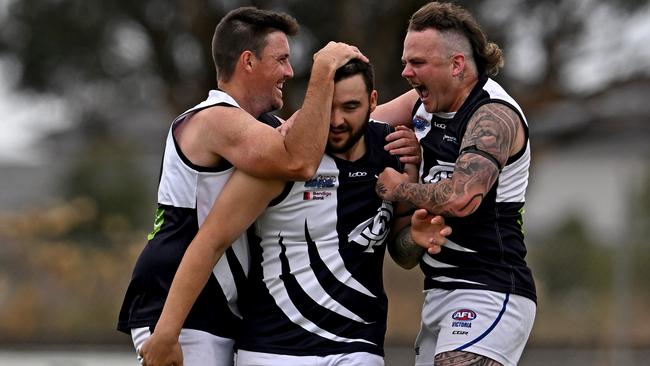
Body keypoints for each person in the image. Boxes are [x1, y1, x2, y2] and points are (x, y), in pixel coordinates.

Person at [138, 59, 451, 366]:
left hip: (358, 348)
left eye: (351, 107)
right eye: (328, 106)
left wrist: (414, 237)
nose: (337, 120)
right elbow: (210, 242)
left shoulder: (394, 151)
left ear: (372, 102)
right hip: (273, 350)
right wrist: (166, 333)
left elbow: (403, 253)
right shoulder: (282, 158)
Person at [117, 7, 368, 366]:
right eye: (281, 60)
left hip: (215, 308)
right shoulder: (214, 118)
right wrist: (323, 72)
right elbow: (300, 160)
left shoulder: (259, 126)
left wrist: (409, 122)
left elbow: (323, 134)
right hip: (176, 310)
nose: (289, 72)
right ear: (248, 61)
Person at [371, 2, 537, 366]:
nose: (405, 72)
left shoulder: (493, 113)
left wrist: (399, 188)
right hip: (438, 294)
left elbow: (463, 198)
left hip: (491, 290)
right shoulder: (421, 106)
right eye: (404, 61)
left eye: (417, 63)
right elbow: (355, 128)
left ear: (457, 64)